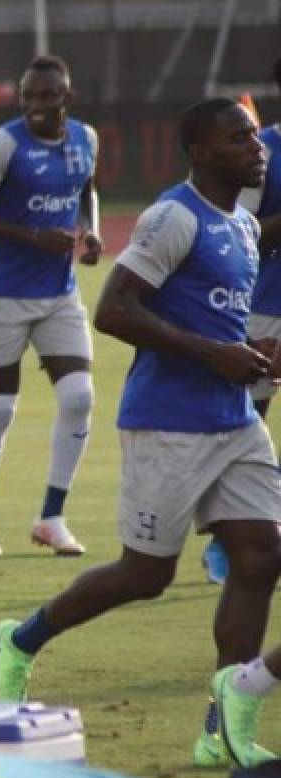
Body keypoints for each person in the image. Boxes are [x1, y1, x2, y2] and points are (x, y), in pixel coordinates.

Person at [0, 97, 281, 769]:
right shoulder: (174, 216)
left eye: (255, 134)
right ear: (201, 152)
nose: (254, 143)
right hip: (166, 424)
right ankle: (21, 639)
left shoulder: (240, 224)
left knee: (262, 555)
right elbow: (113, 311)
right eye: (238, 137)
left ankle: (219, 724)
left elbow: (221, 325)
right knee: (146, 575)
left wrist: (253, 352)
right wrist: (213, 354)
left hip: (235, 422)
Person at [0, 54, 101, 556]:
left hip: (59, 294)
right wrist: (31, 237)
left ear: (68, 97)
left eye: (48, 95)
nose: (38, 105)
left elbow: (86, 189)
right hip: (2, 295)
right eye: (29, 97)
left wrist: (92, 233)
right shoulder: (3, 144)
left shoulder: (86, 139)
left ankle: (52, 517)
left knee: (80, 397)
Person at [203, 58, 281, 585]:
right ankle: (222, 542)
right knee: (245, 419)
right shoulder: (265, 149)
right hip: (266, 305)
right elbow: (242, 228)